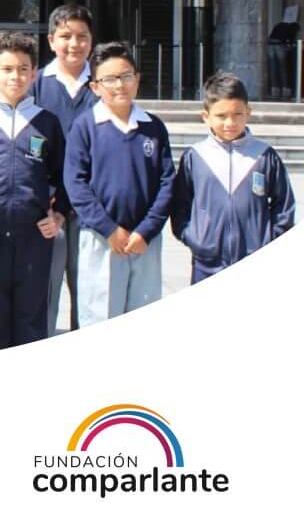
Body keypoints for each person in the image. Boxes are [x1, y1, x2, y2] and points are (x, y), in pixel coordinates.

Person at [64, 41, 175, 327]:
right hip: (101, 239)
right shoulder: (85, 126)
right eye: (109, 79)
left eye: (126, 76)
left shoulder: (153, 127)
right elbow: (75, 183)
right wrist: (108, 228)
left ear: (137, 78)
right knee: (99, 318)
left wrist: (147, 230)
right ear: (95, 87)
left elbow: (167, 182)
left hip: (144, 241)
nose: (119, 85)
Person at [0, 32, 68, 352]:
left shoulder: (47, 123)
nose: (16, 76)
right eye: (8, 69)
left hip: (33, 235)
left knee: (31, 316)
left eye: (24, 69)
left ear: (34, 73)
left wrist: (59, 214)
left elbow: (66, 176)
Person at [171, 72, 296, 283]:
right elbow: (180, 207)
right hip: (207, 264)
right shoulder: (195, 157)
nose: (230, 122)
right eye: (221, 116)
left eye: (238, 114)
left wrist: (267, 243)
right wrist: (195, 238)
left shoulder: (264, 156)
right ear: (206, 116)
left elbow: (283, 207)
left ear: (248, 113)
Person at [30, 3, 96, 334]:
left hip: (90, 207)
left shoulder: (102, 86)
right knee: (45, 289)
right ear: (51, 39)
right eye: (66, 36)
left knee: (88, 292)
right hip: (49, 208)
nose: (74, 44)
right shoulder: (37, 83)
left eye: (82, 36)